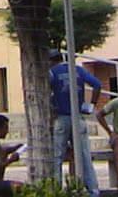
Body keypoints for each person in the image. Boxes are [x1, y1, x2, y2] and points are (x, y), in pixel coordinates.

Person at [48, 50, 107, 193]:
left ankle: (56, 190)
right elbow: (97, 85)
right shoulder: (78, 70)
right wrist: (91, 105)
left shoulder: (52, 73)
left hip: (61, 118)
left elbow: (47, 91)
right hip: (78, 117)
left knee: (57, 157)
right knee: (85, 156)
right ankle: (93, 190)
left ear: (50, 60)